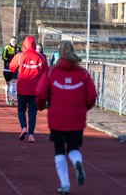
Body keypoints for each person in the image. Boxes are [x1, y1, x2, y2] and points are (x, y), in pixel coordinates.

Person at [36, 40, 97, 194]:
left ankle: (65, 184)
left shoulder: (51, 72)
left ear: (59, 52)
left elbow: (41, 93)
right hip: (76, 118)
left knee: (58, 150)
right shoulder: (83, 73)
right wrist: (84, 108)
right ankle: (77, 162)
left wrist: (41, 105)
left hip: (57, 118)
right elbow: (92, 95)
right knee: (73, 148)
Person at [9, 35, 49, 142]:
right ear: (35, 44)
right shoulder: (41, 57)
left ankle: (24, 128)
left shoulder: (21, 55)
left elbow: (12, 68)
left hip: (22, 88)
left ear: (24, 45)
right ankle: (31, 135)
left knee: (21, 110)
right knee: (32, 113)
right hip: (36, 89)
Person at [2, 36, 21, 106]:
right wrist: (12, 61)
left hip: (15, 69)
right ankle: (7, 98)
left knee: (14, 83)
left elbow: (21, 56)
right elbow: (3, 57)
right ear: (10, 41)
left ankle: (12, 99)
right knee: (7, 83)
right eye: (13, 41)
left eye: (15, 41)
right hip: (7, 69)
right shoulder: (7, 47)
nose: (14, 43)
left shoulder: (18, 48)